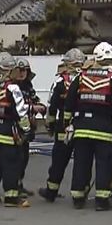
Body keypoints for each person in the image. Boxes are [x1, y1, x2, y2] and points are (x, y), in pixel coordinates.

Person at [66, 42, 112, 212]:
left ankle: (78, 198)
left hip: (81, 128)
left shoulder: (80, 76)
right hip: (104, 130)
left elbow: (69, 102)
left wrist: (67, 123)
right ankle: (101, 201)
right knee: (103, 165)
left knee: (81, 163)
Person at [0, 52, 32, 207]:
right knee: (11, 165)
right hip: (8, 134)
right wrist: (27, 130)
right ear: (9, 70)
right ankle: (11, 197)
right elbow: (21, 112)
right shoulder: (13, 88)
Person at [38, 48, 85, 203]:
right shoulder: (88, 79)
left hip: (63, 127)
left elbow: (52, 106)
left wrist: (50, 125)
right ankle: (80, 194)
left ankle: (51, 191)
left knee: (59, 160)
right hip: (81, 125)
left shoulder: (60, 81)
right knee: (81, 161)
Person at [10, 57, 42, 196]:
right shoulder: (12, 87)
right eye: (20, 70)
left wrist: (40, 106)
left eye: (25, 70)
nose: (23, 73)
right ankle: (13, 186)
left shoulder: (28, 86)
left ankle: (19, 184)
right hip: (15, 128)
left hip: (27, 128)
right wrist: (33, 108)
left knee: (24, 159)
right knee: (17, 158)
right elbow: (18, 108)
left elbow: (34, 100)